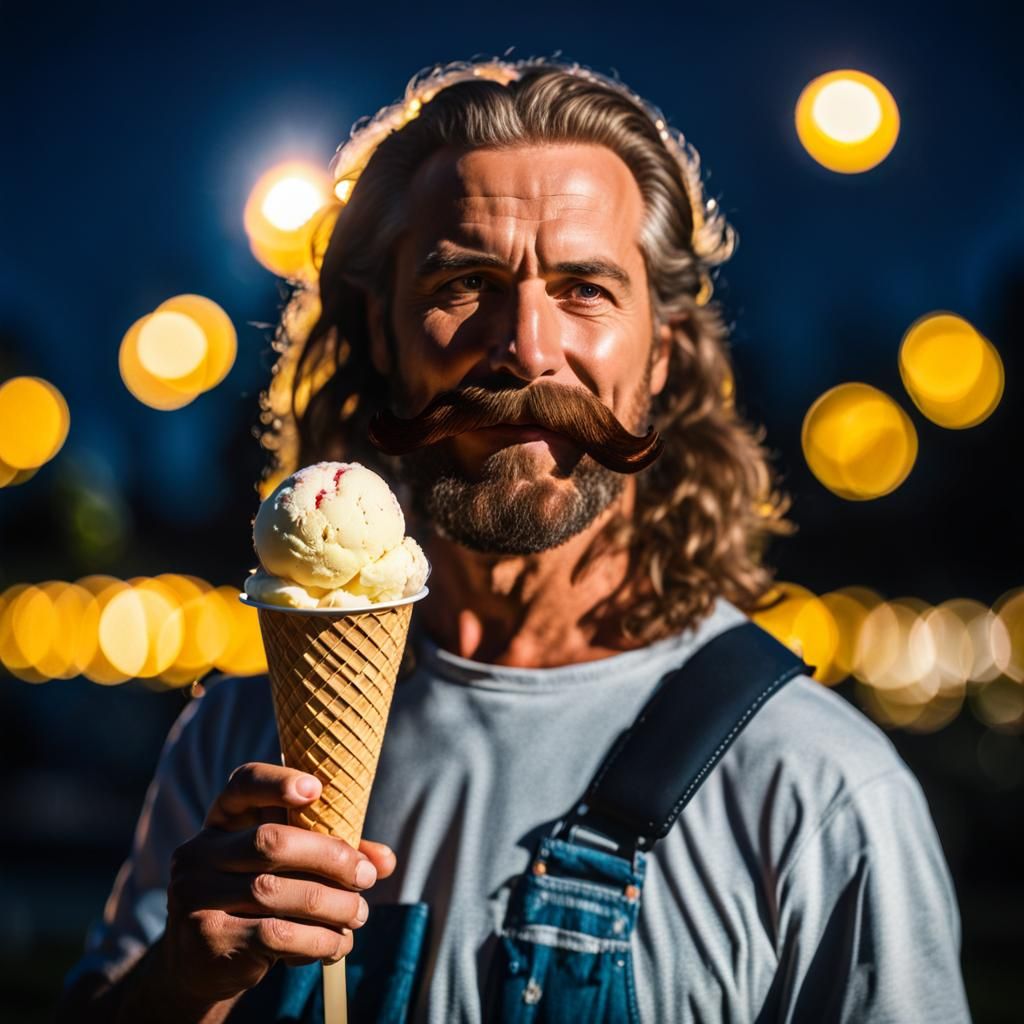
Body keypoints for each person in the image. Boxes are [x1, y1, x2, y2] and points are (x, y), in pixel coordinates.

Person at [59, 57, 971, 1022]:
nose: (527, 346)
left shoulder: (817, 790)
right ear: (382, 336)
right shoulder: (235, 749)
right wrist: (180, 986)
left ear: (660, 353)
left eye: (584, 288)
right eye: (466, 281)